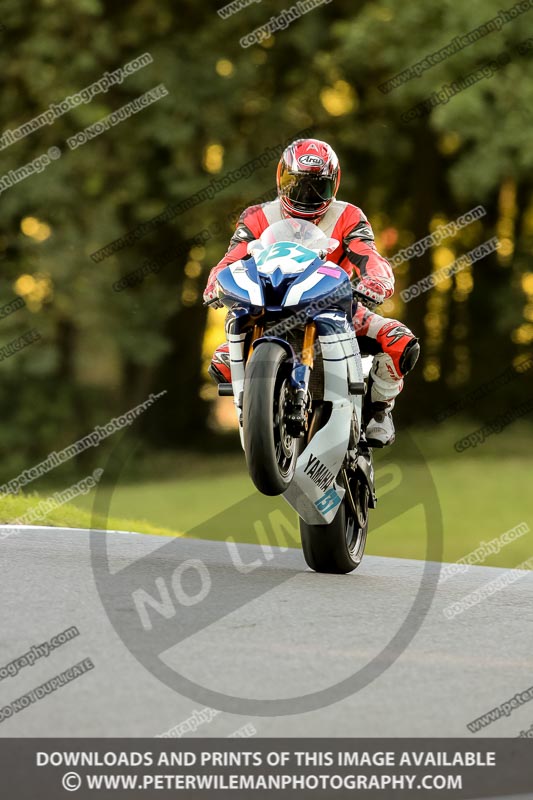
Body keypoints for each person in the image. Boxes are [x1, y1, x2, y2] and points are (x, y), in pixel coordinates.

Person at [203, 138, 419, 447]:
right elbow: (232, 258)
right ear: (281, 178)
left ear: (335, 183)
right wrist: (215, 283)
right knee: (222, 361)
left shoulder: (349, 216)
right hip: (270, 302)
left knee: (400, 342)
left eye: (319, 186)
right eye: (297, 184)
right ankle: (253, 411)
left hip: (337, 306)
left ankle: (380, 410)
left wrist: (376, 281)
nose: (306, 194)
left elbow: (370, 256)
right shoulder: (256, 217)